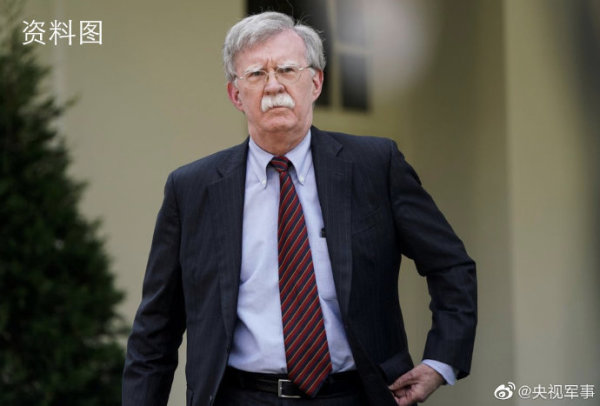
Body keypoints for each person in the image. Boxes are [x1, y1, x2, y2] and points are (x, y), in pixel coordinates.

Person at [122, 11, 477, 406]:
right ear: (236, 95)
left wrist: (441, 360)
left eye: (287, 70)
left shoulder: (376, 166)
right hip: (241, 398)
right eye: (256, 74)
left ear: (316, 82)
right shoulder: (192, 189)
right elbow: (156, 326)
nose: (273, 85)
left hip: (359, 395)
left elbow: (450, 266)